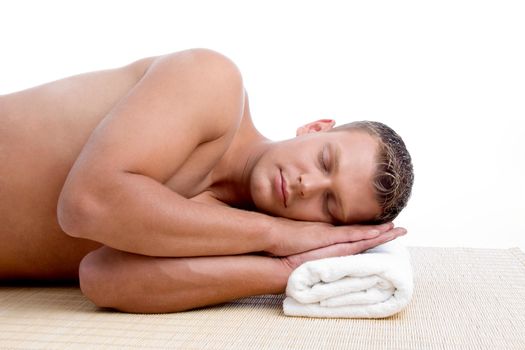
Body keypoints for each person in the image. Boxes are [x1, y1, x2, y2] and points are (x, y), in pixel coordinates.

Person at [0, 48, 413, 313]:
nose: (309, 185)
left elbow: (104, 279)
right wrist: (275, 234)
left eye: (329, 205)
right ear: (315, 128)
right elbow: (87, 206)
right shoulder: (213, 82)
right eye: (325, 160)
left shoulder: (226, 233)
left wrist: (287, 268)